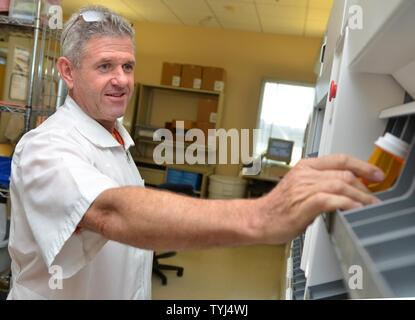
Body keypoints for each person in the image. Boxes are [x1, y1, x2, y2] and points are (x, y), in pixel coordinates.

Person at [7, 5, 384, 300]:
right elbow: (108, 211)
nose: (121, 80)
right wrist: (262, 216)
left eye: (127, 66)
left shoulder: (117, 136)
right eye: (105, 66)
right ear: (68, 72)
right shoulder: (47, 147)